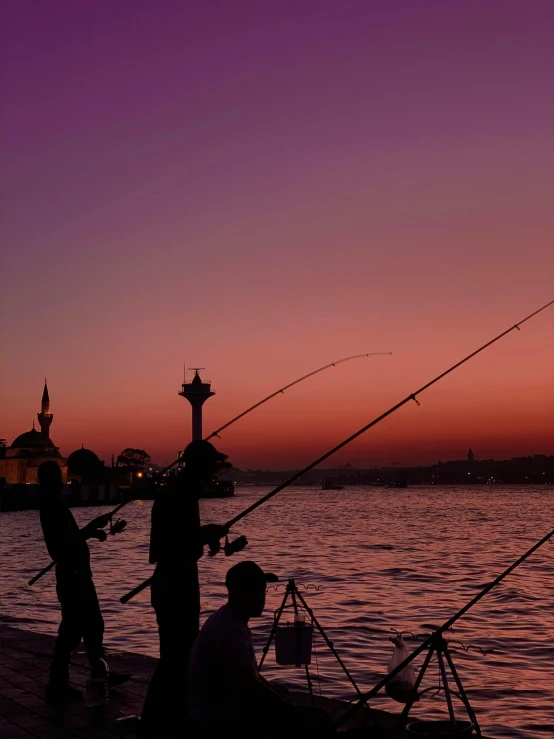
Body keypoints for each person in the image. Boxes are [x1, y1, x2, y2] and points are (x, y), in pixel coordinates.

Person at [139, 439, 229, 738]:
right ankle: (156, 723)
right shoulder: (182, 495)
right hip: (176, 585)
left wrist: (204, 536)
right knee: (176, 658)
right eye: (212, 464)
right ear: (201, 465)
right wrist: (207, 534)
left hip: (171, 581)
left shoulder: (177, 492)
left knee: (177, 655)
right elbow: (178, 545)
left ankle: (166, 719)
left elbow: (179, 539)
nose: (214, 470)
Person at [188, 560, 336, 738]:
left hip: (222, 708)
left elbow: (249, 676)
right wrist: (297, 715)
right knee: (315, 724)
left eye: (262, 589)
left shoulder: (229, 619)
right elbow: (249, 687)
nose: (261, 596)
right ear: (236, 592)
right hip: (216, 720)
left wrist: (280, 697)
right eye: (254, 590)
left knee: (288, 698)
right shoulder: (230, 631)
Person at [37, 460, 129, 704]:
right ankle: (56, 684)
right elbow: (63, 547)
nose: (61, 482)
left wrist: (91, 531)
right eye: (57, 478)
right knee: (71, 631)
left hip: (80, 574)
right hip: (72, 577)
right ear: (48, 481)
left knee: (93, 626)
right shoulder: (52, 507)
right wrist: (90, 528)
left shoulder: (57, 506)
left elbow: (71, 540)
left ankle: (100, 672)